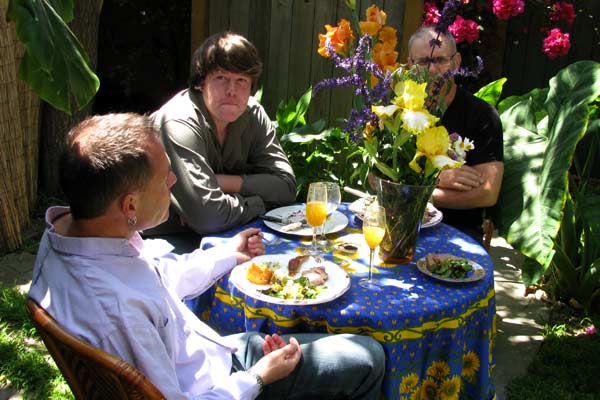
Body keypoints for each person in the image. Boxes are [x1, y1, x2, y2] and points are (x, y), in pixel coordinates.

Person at [28, 113, 385, 399]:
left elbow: (153, 279)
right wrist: (259, 377)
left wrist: (229, 254)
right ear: (130, 205)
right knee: (368, 357)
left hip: (208, 354)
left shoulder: (70, 233)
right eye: (163, 177)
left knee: (277, 333)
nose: (172, 181)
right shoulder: (117, 314)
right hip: (221, 384)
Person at [150, 32, 296, 237]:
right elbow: (207, 217)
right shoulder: (178, 121)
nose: (232, 90)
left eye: (241, 80)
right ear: (201, 83)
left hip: (231, 232)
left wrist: (220, 182)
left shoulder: (253, 115)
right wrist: (256, 203)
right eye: (221, 78)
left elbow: (286, 188)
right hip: (167, 238)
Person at [407, 26, 504, 244]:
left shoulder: (482, 115)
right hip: (402, 221)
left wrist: (416, 194)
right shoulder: (402, 110)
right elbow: (376, 179)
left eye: (440, 60)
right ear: (410, 65)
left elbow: (488, 193)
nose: (432, 70)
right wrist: (436, 179)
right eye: (423, 61)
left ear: (457, 62)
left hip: (459, 231)